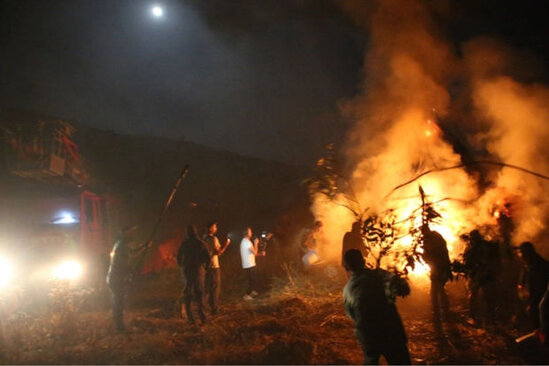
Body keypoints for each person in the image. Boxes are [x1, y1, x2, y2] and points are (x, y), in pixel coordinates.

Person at [343, 249, 411, 365]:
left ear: (347, 267)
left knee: (371, 361)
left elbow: (351, 314)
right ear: (363, 261)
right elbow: (404, 289)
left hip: (367, 334)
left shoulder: (348, 289)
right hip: (390, 330)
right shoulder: (380, 275)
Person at [462, 230, 500, 324]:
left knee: (482, 296)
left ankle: (482, 317)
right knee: (478, 296)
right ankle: (483, 317)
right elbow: (467, 261)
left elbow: (488, 260)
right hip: (480, 274)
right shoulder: (474, 247)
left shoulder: (481, 247)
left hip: (483, 274)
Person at [106, 225, 139, 332]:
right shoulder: (121, 246)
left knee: (118, 301)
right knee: (118, 302)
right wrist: (130, 270)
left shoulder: (120, 245)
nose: (132, 234)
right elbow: (122, 262)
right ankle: (119, 327)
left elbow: (130, 253)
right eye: (130, 232)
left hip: (115, 277)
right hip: (116, 278)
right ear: (124, 233)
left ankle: (119, 326)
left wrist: (143, 247)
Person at [177, 224, 211, 325]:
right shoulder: (200, 243)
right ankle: (202, 317)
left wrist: (182, 266)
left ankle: (190, 317)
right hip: (198, 270)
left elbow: (179, 257)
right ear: (195, 232)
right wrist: (205, 268)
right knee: (199, 293)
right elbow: (208, 258)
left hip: (187, 270)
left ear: (187, 233)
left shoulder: (184, 243)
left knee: (188, 293)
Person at [421, 224, 452, 318]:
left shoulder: (435, 237)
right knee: (436, 290)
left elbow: (440, 252)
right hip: (435, 266)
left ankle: (443, 311)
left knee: (438, 289)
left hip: (440, 266)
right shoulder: (429, 238)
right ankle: (438, 311)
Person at [518, 241, 549, 329]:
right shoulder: (529, 265)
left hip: (543, 296)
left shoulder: (539, 267)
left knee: (539, 312)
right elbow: (523, 279)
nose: (520, 256)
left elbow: (538, 288)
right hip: (537, 296)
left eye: (522, 253)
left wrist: (531, 303)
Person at [202, 220, 231, 315]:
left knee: (207, 287)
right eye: (215, 226)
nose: (216, 228)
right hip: (214, 267)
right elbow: (218, 253)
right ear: (210, 228)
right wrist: (226, 244)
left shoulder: (203, 238)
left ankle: (203, 306)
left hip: (206, 267)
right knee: (215, 288)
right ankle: (214, 309)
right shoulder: (214, 239)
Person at [240, 227, 264, 300]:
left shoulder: (245, 241)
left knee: (252, 279)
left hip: (249, 264)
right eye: (250, 232)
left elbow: (254, 254)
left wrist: (261, 254)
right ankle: (247, 295)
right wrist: (256, 243)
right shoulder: (246, 242)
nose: (252, 233)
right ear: (246, 233)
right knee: (252, 280)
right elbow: (255, 252)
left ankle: (251, 291)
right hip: (249, 265)